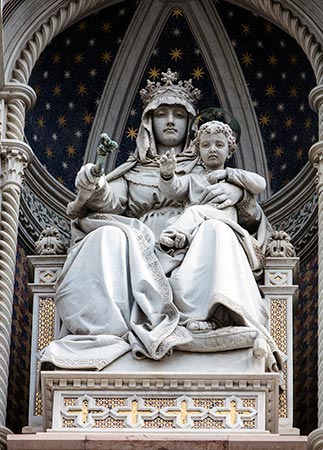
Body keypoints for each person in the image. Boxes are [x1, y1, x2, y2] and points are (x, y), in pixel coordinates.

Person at [40, 69, 281, 372]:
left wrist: (238, 194)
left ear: (191, 124)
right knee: (106, 237)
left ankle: (207, 318)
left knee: (217, 230)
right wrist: (95, 185)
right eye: (162, 114)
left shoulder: (209, 164)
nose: (169, 121)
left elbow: (249, 217)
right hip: (140, 246)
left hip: (192, 248)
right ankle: (105, 332)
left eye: (178, 115)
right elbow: (110, 203)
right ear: (148, 122)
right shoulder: (134, 169)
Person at [158, 120, 266, 253]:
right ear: (198, 151)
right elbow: (172, 190)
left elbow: (260, 183)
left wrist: (229, 174)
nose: (212, 149)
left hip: (223, 217)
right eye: (205, 145)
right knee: (186, 217)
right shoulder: (193, 178)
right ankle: (182, 239)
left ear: (229, 150)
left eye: (219, 145)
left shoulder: (232, 177)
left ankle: (171, 234)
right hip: (198, 223)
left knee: (193, 212)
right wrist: (167, 174)